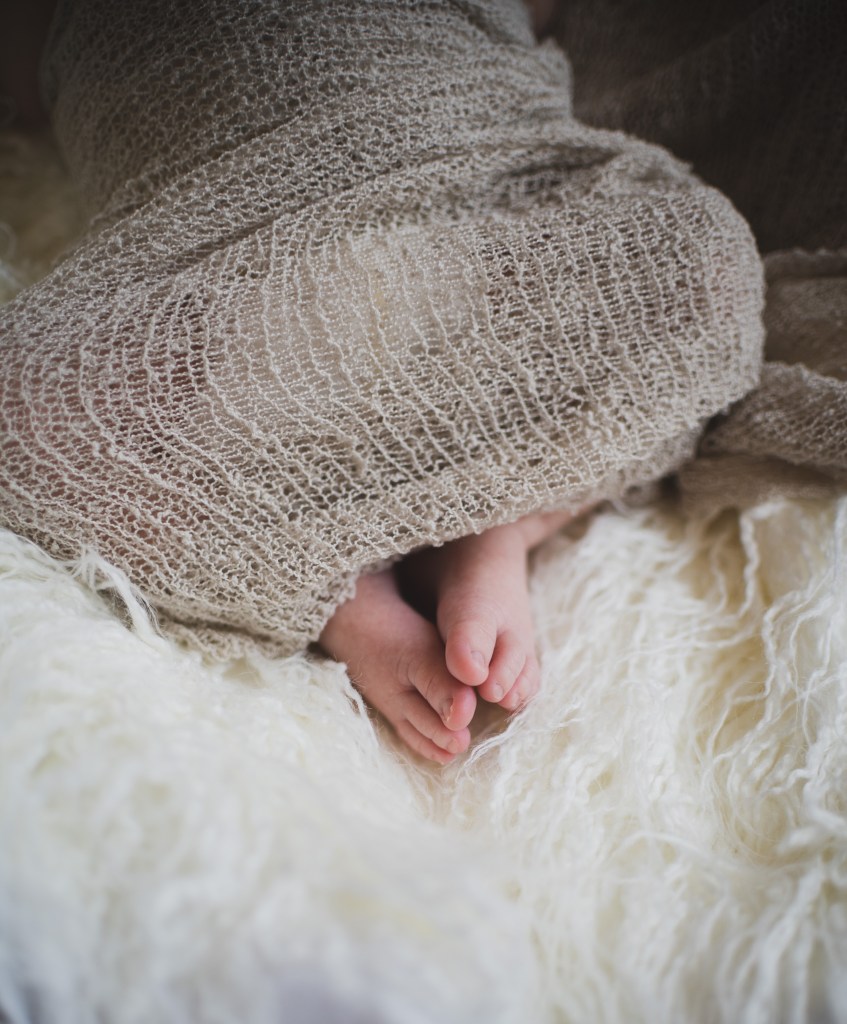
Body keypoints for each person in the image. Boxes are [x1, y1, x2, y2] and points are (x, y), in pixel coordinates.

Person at [0, 0, 767, 763]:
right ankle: (345, 589)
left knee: (704, 268)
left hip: (462, 215)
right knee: (26, 412)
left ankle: (494, 529)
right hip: (231, 262)